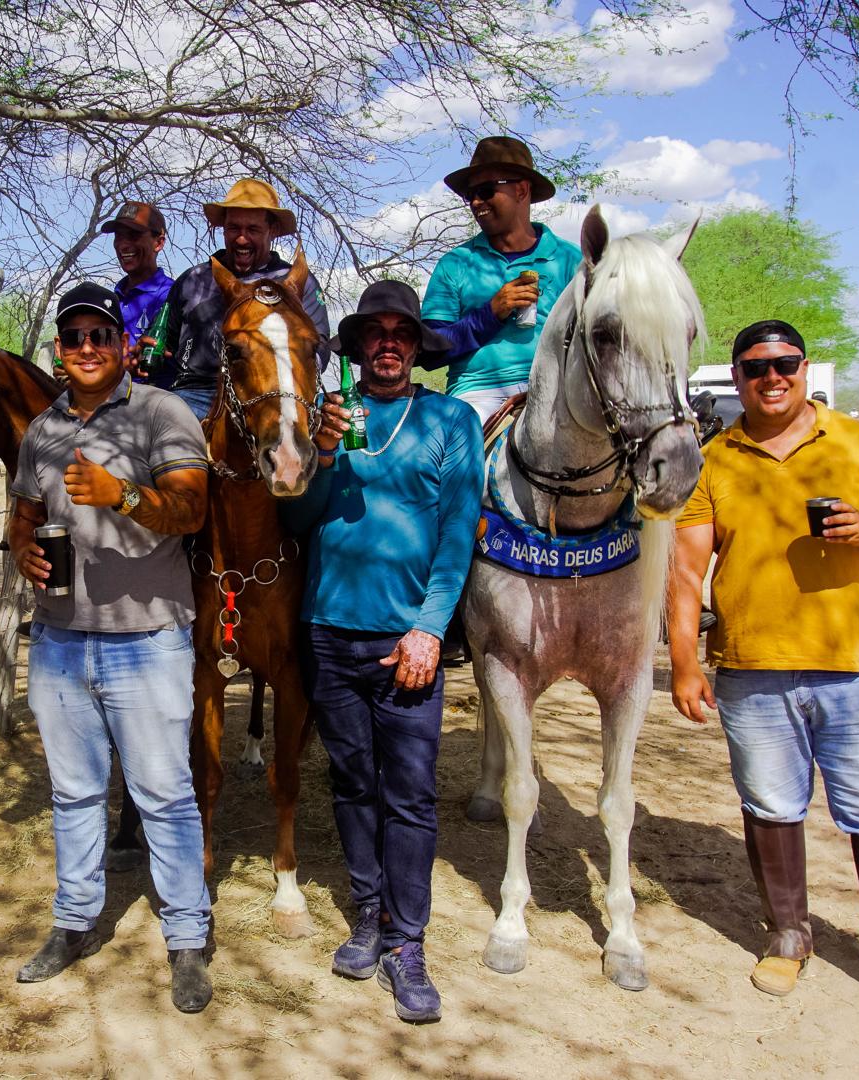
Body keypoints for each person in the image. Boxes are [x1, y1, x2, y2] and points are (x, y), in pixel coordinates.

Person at [667, 319, 859, 1029]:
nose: (773, 377)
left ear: (804, 370)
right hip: (752, 667)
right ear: (738, 378)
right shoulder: (713, 460)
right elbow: (686, 570)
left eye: (786, 364)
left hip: (851, 668)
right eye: (756, 367)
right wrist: (683, 661)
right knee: (770, 806)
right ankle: (788, 937)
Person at [5, 282, 218, 1013]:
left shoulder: (162, 412)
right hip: (61, 641)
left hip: (148, 640)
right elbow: (23, 515)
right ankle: (73, 923)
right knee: (73, 794)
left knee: (164, 794)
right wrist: (24, 552)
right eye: (74, 337)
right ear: (59, 350)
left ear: (125, 345)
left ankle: (187, 938)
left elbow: (191, 510)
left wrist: (120, 493)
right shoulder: (43, 430)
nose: (88, 348)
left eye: (101, 335)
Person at [283, 281, 484, 1023]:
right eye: (376, 332)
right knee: (350, 782)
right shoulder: (329, 416)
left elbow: (458, 532)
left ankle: (407, 941)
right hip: (328, 633)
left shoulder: (450, 420)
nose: (389, 342)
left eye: (402, 332)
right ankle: (368, 912)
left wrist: (430, 628)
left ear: (417, 345)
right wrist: (321, 451)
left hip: (406, 643)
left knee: (410, 793)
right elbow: (297, 519)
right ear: (359, 346)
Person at [420, 136, 584, 420]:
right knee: (459, 438)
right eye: (469, 195)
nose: (476, 202)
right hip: (477, 393)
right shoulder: (455, 264)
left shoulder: (570, 260)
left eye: (485, 191)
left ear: (521, 190)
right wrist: (491, 313)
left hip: (559, 387)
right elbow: (429, 352)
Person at [152, 178, 331, 418]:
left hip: (271, 391)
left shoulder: (295, 283)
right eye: (233, 228)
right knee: (159, 425)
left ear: (272, 230)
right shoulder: (193, 280)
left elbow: (319, 345)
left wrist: (288, 384)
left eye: (253, 230)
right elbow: (165, 342)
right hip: (197, 392)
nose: (242, 239)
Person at [99, 200, 174, 380]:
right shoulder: (110, 300)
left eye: (134, 235)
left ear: (158, 243)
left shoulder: (174, 295)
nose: (123, 245)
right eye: (118, 236)